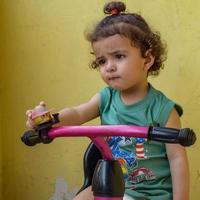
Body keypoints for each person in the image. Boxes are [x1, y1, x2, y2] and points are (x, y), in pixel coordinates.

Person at [26, 1, 189, 200]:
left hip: (151, 194)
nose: (109, 67)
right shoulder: (106, 98)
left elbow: (177, 158)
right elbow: (77, 113)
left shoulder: (163, 109)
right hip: (112, 186)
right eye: (102, 61)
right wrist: (48, 119)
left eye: (118, 56)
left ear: (147, 59)